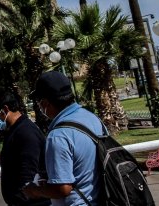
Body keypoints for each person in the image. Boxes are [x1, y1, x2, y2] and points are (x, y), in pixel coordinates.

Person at [23, 71, 103, 206]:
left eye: (38, 103)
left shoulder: (58, 136)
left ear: (45, 103)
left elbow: (62, 189)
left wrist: (35, 190)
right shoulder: (92, 118)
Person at [0, 88, 50, 206]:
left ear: (5, 109)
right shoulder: (15, 131)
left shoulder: (25, 133)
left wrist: (20, 198)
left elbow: (28, 174)